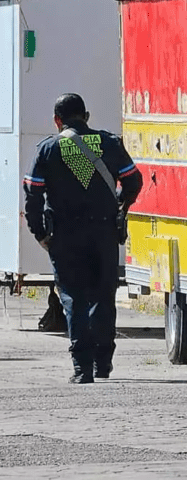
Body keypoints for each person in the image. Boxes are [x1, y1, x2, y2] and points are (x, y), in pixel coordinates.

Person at [23, 93, 143, 384]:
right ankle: (103, 364)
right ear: (87, 116)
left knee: (74, 297)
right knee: (103, 296)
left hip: (64, 235)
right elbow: (133, 181)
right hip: (103, 233)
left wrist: (39, 232)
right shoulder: (109, 143)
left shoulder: (48, 148)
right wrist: (120, 204)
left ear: (57, 121)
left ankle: (82, 369)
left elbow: (33, 193)